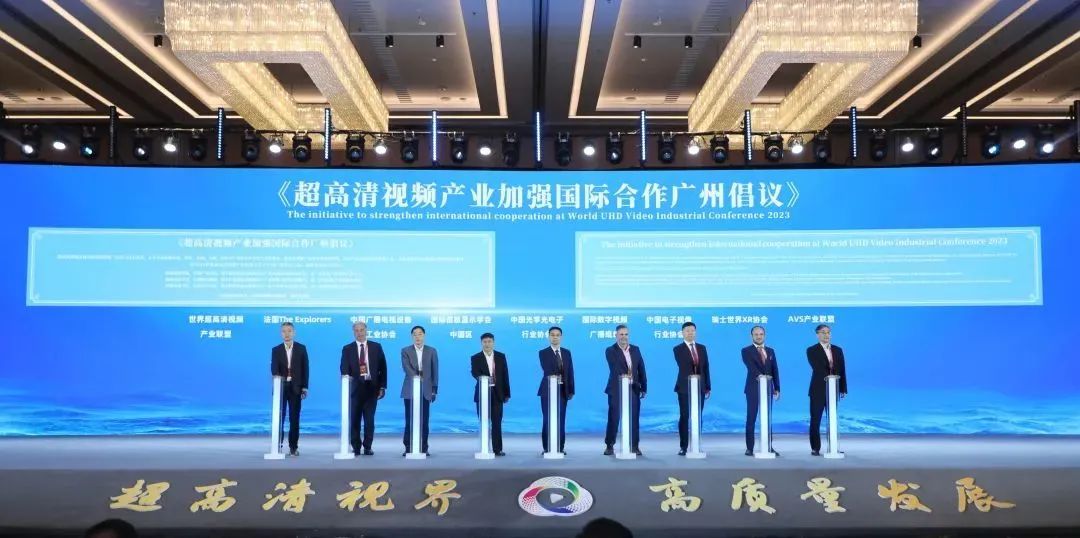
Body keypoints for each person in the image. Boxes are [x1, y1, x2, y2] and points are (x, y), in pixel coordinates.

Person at [340, 320, 387, 455]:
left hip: (372, 388)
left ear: (366, 331)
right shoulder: (347, 349)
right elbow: (344, 368)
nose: (359, 333)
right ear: (353, 332)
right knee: (354, 419)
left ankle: (367, 446)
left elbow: (383, 368)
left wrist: (382, 387)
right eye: (356, 330)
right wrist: (347, 379)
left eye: (362, 330)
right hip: (355, 389)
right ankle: (356, 447)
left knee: (369, 420)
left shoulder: (376, 347)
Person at [604, 324, 646, 456]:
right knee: (614, 418)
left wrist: (643, 387)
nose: (624, 337)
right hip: (616, 390)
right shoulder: (610, 350)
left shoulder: (636, 349)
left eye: (626, 334)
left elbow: (641, 368)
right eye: (621, 334)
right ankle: (609, 445)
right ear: (616, 335)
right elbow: (615, 368)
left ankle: (634, 446)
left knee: (634, 419)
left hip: (633, 389)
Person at [807, 324, 848, 456]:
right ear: (817, 334)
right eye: (823, 332)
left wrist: (842, 388)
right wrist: (830, 375)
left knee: (832, 419)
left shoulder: (837, 350)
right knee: (815, 420)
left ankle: (833, 447)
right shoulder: (811, 350)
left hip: (833, 389)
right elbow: (817, 367)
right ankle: (815, 448)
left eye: (828, 332)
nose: (826, 335)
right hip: (818, 390)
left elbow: (842, 369)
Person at [270, 321, 308, 457]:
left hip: (296, 388)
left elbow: (305, 369)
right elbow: (274, 370)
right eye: (284, 331)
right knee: (279, 418)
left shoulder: (301, 348)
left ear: (294, 333)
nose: (287, 334)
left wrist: (305, 387)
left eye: (289, 331)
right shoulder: (276, 350)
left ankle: (293, 447)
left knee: (294, 419)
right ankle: (277, 445)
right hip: (281, 388)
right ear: (281, 334)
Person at [741, 325, 780, 456]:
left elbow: (775, 370)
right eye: (756, 334)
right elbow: (751, 367)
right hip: (753, 388)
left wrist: (777, 387)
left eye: (761, 334)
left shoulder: (770, 351)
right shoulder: (746, 351)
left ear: (764, 335)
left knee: (767, 418)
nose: (759, 336)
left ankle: (768, 446)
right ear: (752, 336)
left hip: (768, 389)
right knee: (751, 418)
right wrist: (761, 377)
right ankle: (750, 448)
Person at [673, 321, 710, 456]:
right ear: (682, 333)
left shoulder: (702, 348)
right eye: (687, 331)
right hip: (684, 387)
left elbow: (706, 367)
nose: (690, 333)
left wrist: (707, 386)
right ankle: (683, 446)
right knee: (685, 416)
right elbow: (684, 365)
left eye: (692, 331)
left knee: (698, 416)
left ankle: (696, 444)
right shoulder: (678, 349)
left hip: (700, 387)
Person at [471, 332, 510, 456]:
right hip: (482, 393)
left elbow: (505, 375)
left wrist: (507, 393)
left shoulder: (500, 356)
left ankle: (497, 449)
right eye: (485, 342)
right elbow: (474, 373)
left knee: (497, 422)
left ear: (493, 342)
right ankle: (484, 448)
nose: (487, 344)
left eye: (489, 341)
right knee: (483, 422)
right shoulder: (475, 357)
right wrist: (484, 378)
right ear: (481, 343)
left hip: (497, 394)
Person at [401, 325, 438, 455]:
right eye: (415, 334)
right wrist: (417, 378)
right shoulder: (405, 350)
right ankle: (408, 447)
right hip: (410, 390)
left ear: (424, 335)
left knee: (424, 421)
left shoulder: (431, 351)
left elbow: (435, 371)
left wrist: (434, 389)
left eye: (420, 334)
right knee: (409, 420)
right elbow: (406, 368)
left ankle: (423, 447)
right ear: (412, 336)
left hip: (426, 390)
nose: (417, 337)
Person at [538, 326, 575, 454]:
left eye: (557, 335)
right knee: (548, 419)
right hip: (548, 390)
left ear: (561, 337)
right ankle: (547, 447)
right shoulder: (543, 352)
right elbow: (548, 369)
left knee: (561, 419)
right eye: (552, 335)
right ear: (549, 337)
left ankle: (560, 447)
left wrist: (571, 390)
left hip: (563, 391)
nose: (555, 337)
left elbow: (570, 371)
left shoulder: (566, 352)